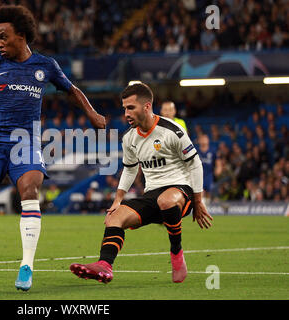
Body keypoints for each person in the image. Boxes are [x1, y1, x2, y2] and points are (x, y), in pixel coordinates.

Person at [0, 5, 105, 292]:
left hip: (26, 142)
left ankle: (26, 266)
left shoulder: (45, 66)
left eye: (3, 37)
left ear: (21, 36)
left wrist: (92, 113)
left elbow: (72, 90)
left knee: (30, 190)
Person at [70, 83, 212, 284]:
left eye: (130, 108)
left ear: (146, 107)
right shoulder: (129, 137)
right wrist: (117, 200)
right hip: (152, 194)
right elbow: (129, 168)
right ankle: (104, 265)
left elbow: (195, 164)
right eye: (124, 108)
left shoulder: (172, 130)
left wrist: (198, 202)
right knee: (114, 218)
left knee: (166, 200)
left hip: (181, 191)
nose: (126, 113)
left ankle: (176, 253)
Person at [197, 134, 216, 203]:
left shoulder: (212, 151)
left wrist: (218, 168)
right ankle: (203, 208)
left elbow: (217, 161)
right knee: (201, 192)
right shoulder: (196, 150)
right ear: (199, 141)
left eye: (205, 139)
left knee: (208, 193)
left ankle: (207, 206)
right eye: (202, 139)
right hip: (199, 175)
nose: (203, 141)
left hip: (209, 175)